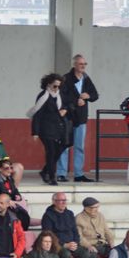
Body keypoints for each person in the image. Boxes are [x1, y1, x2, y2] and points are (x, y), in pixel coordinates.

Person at [58, 54, 99, 182]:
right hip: (68, 117)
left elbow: (95, 95)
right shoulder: (66, 78)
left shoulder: (86, 78)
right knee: (64, 145)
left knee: (79, 146)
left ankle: (78, 174)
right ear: (74, 65)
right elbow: (61, 97)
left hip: (81, 118)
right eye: (81, 64)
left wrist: (87, 96)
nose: (83, 66)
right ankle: (61, 173)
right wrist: (75, 101)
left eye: (85, 64)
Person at [28, 73, 68, 185]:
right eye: (55, 86)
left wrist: (65, 109)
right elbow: (37, 114)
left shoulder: (60, 95)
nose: (57, 89)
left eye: (59, 86)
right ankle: (52, 177)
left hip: (57, 129)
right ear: (49, 84)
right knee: (51, 152)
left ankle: (45, 171)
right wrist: (35, 132)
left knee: (58, 150)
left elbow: (67, 104)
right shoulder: (43, 96)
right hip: (45, 129)